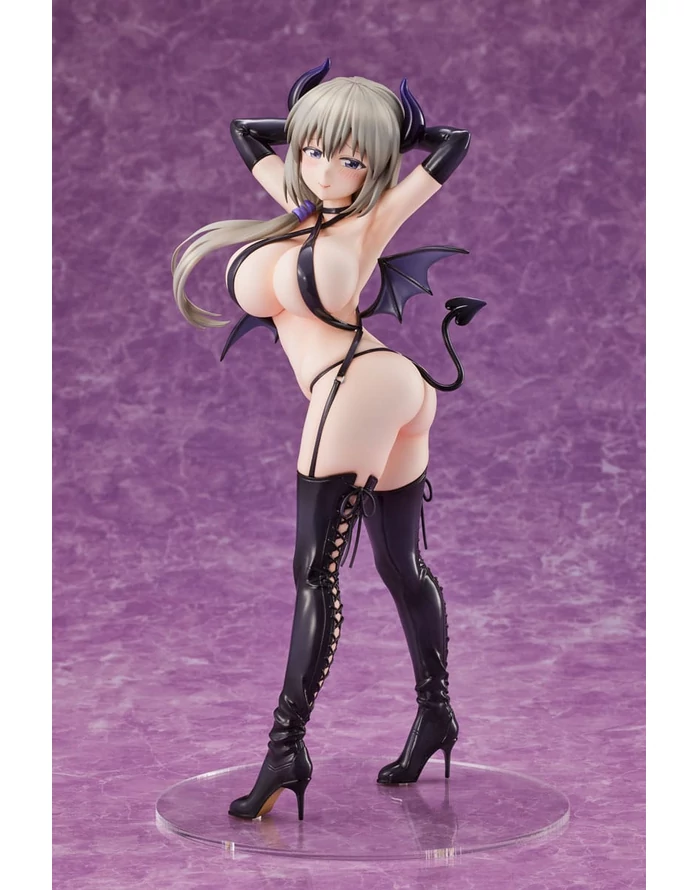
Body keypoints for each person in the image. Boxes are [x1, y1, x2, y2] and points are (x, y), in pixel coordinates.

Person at [171, 60, 479, 821]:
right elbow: (246, 133)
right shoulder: (295, 200)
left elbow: (453, 142)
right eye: (314, 151)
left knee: (315, 573)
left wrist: (388, 129)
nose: (327, 170)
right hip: (382, 385)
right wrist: (321, 122)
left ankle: (286, 747)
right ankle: (437, 715)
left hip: (358, 382)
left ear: (377, 166)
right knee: (400, 565)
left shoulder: (374, 218)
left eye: (352, 160)